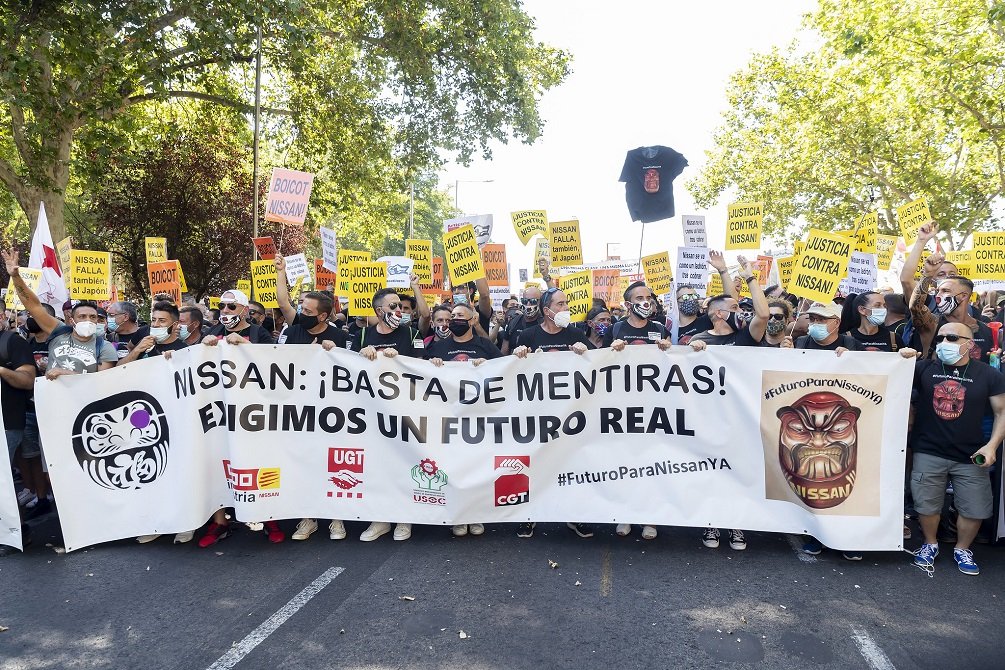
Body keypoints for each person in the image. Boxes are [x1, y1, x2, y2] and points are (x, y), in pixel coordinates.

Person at [909, 322, 1005, 575]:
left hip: (970, 453)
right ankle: (930, 544)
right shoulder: (923, 368)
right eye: (940, 338)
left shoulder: (988, 374)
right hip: (928, 450)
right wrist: (902, 358)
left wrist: (992, 446)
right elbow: (888, 377)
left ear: (969, 344)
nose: (943, 343)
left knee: (975, 508)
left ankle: (962, 548)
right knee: (926, 504)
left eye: (951, 338)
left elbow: (1002, 412)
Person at [688, 256, 767, 551]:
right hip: (710, 419)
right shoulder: (698, 339)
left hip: (742, 419)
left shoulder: (746, 337)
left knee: (739, 473)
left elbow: (763, 315)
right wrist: (693, 353)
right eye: (734, 309)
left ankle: (737, 525)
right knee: (710, 471)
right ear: (718, 315)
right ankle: (712, 522)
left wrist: (747, 278)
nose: (741, 311)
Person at [273, 254, 350, 543]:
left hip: (331, 412)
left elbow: (354, 372)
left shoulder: (339, 338)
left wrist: (337, 354)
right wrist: (281, 272)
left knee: (332, 464)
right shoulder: (294, 330)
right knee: (304, 464)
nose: (300, 311)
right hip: (298, 411)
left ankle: (336, 518)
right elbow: (283, 303)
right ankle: (308, 518)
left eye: (306, 309)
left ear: (322, 315)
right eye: (300, 307)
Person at [513, 287, 595, 539]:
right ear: (546, 310)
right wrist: (519, 356)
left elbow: (600, 365)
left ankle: (575, 516)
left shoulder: (575, 333)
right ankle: (530, 516)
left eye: (566, 303)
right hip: (538, 414)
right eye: (560, 304)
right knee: (535, 463)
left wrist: (585, 353)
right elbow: (511, 373)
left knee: (571, 464)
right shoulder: (528, 335)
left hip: (570, 414)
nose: (565, 309)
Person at [351, 287, 422, 542]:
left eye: (400, 307)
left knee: (403, 463)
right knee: (376, 466)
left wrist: (400, 359)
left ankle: (404, 518)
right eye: (393, 307)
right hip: (371, 413)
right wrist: (361, 356)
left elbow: (423, 367)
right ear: (379, 311)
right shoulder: (361, 335)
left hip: (405, 411)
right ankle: (380, 519)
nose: (399, 311)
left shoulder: (412, 332)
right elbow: (344, 367)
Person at [426, 301, 503, 538]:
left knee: (476, 468)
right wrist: (432, 366)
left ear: (472, 321)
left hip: (478, 419)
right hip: (450, 418)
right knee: (455, 468)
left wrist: (488, 366)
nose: (454, 320)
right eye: (452, 316)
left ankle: (476, 514)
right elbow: (422, 377)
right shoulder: (439, 347)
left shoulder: (485, 346)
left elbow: (504, 370)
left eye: (460, 316)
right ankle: (459, 516)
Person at [911, 275, 998, 365]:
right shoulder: (933, 324)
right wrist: (927, 275)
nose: (938, 296)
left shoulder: (988, 330)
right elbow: (915, 308)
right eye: (937, 291)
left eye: (945, 291)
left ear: (963, 296)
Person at [603, 281, 671, 348]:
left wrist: (667, 348)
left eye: (648, 298)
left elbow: (671, 356)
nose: (646, 302)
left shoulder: (661, 329)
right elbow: (603, 357)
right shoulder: (613, 330)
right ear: (628, 305)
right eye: (640, 298)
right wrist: (612, 349)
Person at [120, 302, 188, 363]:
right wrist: (137, 350)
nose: (155, 324)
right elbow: (118, 368)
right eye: (153, 320)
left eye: (162, 321)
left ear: (174, 325)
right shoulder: (144, 341)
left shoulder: (183, 349)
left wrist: (177, 359)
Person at [783, 302, 862, 353]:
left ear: (837, 322)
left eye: (821, 319)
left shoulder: (853, 345)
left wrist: (851, 359)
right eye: (811, 319)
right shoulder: (799, 344)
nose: (815, 323)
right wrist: (788, 354)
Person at [205, 290, 274, 344]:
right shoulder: (212, 331)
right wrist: (202, 345)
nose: (225, 310)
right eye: (221, 306)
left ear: (245, 310)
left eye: (232, 306)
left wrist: (245, 343)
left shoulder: (260, 333)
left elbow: (268, 358)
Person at [502, 285, 543, 354]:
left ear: (540, 302)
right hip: (516, 363)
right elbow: (504, 351)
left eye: (533, 301)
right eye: (524, 301)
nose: (528, 304)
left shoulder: (546, 323)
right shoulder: (513, 322)